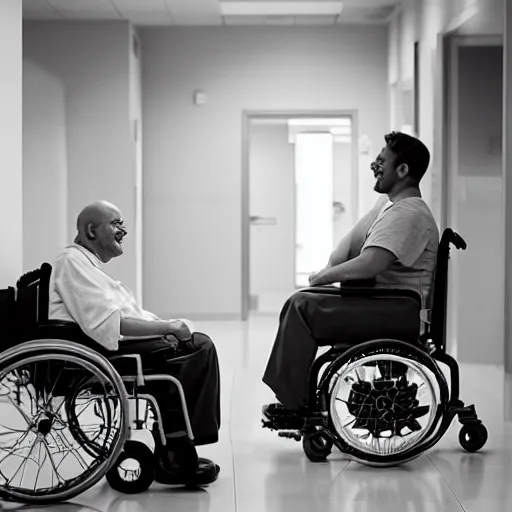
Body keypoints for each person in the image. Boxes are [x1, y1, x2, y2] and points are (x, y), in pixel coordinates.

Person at [262, 131, 440, 427]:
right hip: (386, 305)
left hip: (398, 311)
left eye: (382, 160)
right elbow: (347, 251)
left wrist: (322, 278)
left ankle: (295, 405)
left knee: (302, 305)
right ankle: (294, 399)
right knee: (303, 302)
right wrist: (331, 268)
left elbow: (370, 264)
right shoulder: (390, 207)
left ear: (403, 170)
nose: (374, 164)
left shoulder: (409, 214)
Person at [49, 200, 221, 485]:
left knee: (191, 345)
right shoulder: (72, 262)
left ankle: (175, 447)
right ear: (91, 230)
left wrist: (163, 327)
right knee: (197, 349)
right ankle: (176, 451)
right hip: (97, 352)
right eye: (116, 223)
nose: (124, 230)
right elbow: (111, 323)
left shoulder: (85, 264)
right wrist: (166, 327)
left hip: (102, 346)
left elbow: (118, 317)